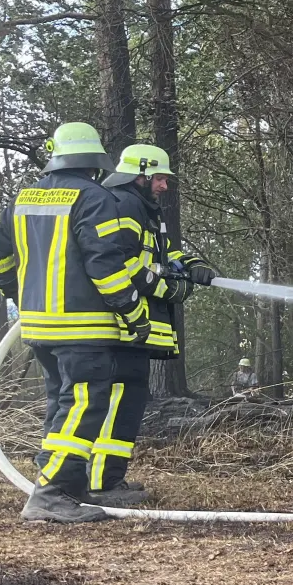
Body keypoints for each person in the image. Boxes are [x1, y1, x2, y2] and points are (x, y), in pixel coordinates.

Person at [0, 122, 152, 523]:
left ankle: (64, 488)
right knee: (84, 405)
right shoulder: (95, 197)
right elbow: (105, 265)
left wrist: (14, 290)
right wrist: (132, 312)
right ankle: (51, 493)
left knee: (62, 405)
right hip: (84, 328)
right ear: (94, 160)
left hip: (39, 327)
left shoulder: (23, 198)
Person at [98, 143, 217, 504]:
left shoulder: (142, 208)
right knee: (120, 403)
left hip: (130, 329)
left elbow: (161, 254)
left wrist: (193, 263)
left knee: (128, 401)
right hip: (121, 326)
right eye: (160, 178)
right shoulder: (126, 203)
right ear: (141, 174)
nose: (165, 185)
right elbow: (125, 263)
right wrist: (172, 290)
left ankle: (107, 478)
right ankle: (102, 482)